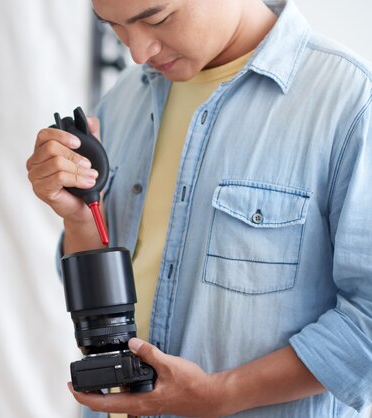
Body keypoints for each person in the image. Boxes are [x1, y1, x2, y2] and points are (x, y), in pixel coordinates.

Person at [26, 0, 372, 416]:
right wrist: (78, 217)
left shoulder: (349, 103)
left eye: (156, 18)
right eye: (114, 26)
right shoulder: (123, 101)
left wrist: (223, 393)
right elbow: (101, 298)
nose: (137, 52)